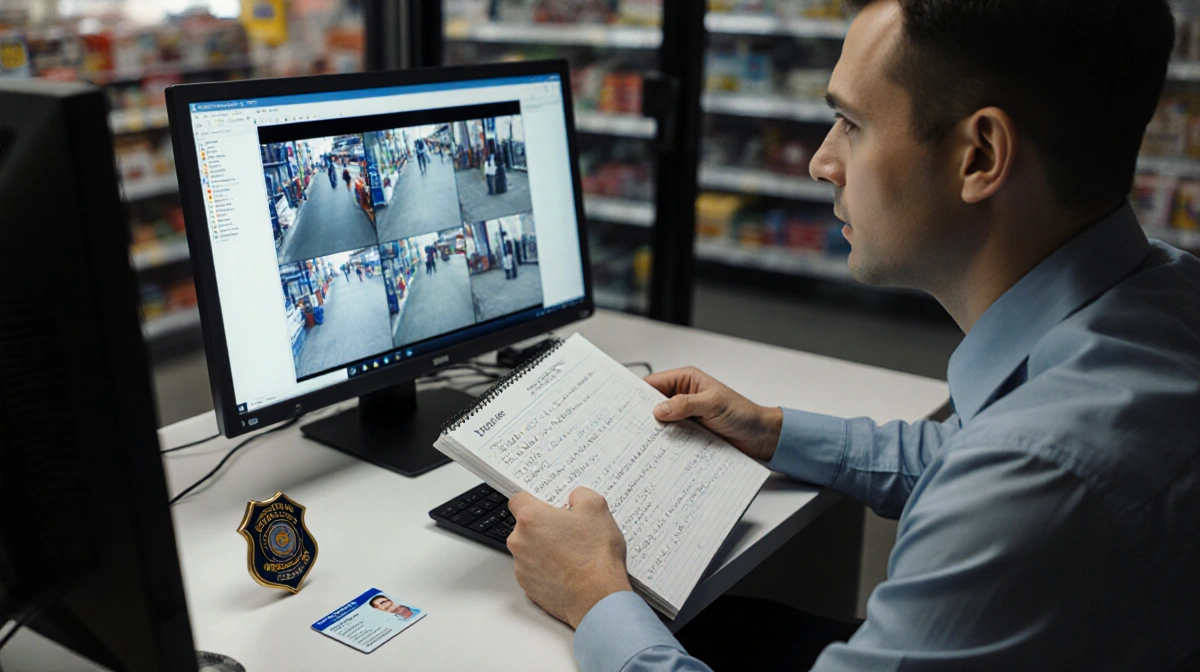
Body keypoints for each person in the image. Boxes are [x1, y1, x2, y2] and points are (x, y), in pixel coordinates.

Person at [503, 1, 1200, 671]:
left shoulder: (1039, 481)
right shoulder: (1160, 294)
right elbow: (973, 452)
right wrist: (773, 430)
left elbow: (1017, 470)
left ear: (980, 156)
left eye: (850, 124)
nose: (820, 162)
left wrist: (593, 592)